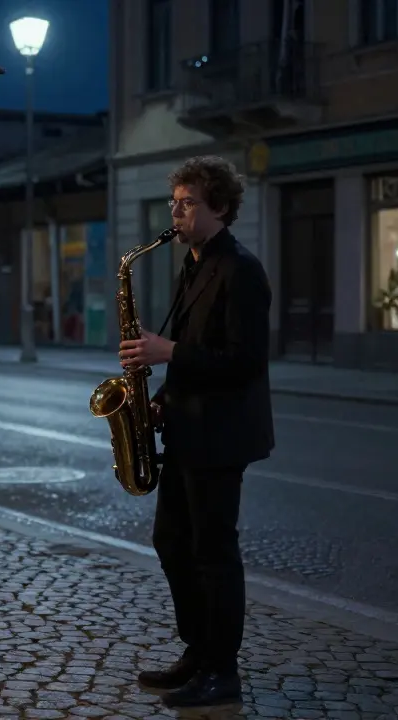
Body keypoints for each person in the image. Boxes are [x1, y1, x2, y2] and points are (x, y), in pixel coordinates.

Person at [118, 155, 273, 709]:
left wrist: (170, 352)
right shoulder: (193, 263)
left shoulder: (241, 269)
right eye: (174, 202)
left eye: (188, 204)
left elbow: (246, 361)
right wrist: (158, 398)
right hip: (187, 428)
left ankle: (221, 670)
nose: (176, 212)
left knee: (214, 553)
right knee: (171, 541)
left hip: (221, 436)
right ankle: (198, 650)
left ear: (221, 209)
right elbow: (189, 354)